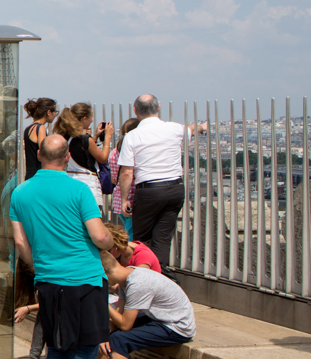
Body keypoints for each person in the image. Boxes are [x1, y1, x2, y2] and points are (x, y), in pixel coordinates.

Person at [9, 134, 114, 359]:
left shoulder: (21, 193)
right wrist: (108, 243)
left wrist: (38, 266)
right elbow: (99, 236)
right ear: (67, 157)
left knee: (55, 348)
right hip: (85, 278)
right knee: (84, 352)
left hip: (49, 280)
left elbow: (20, 241)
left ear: (39, 156)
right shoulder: (79, 190)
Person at [92, 251, 195, 359]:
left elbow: (125, 325)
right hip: (160, 319)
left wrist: (102, 302)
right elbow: (119, 316)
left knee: (119, 340)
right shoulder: (128, 276)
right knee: (111, 336)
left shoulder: (138, 283)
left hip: (177, 326)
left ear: (104, 274)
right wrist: (103, 334)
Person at [116, 94, 203, 271]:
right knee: (163, 238)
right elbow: (191, 130)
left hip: (149, 190)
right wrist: (202, 126)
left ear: (135, 110)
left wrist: (125, 199)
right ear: (159, 107)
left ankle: (143, 274)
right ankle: (159, 273)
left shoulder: (132, 136)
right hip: (174, 188)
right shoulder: (174, 128)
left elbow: (126, 172)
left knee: (141, 239)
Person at [53, 103, 111, 211]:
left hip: (71, 181)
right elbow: (103, 158)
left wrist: (95, 136)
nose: (92, 120)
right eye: (91, 117)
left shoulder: (67, 137)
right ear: (84, 119)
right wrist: (107, 138)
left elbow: (82, 152)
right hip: (88, 183)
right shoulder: (85, 139)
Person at [107, 118, 141, 236]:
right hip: (132, 197)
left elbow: (113, 179)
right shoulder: (135, 151)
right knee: (133, 234)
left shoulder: (114, 153)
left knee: (129, 230)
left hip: (118, 198)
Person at [22, 97, 58, 183]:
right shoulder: (40, 128)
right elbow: (44, 153)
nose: (55, 115)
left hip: (30, 174)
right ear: (49, 112)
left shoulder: (29, 128)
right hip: (38, 175)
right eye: (55, 112)